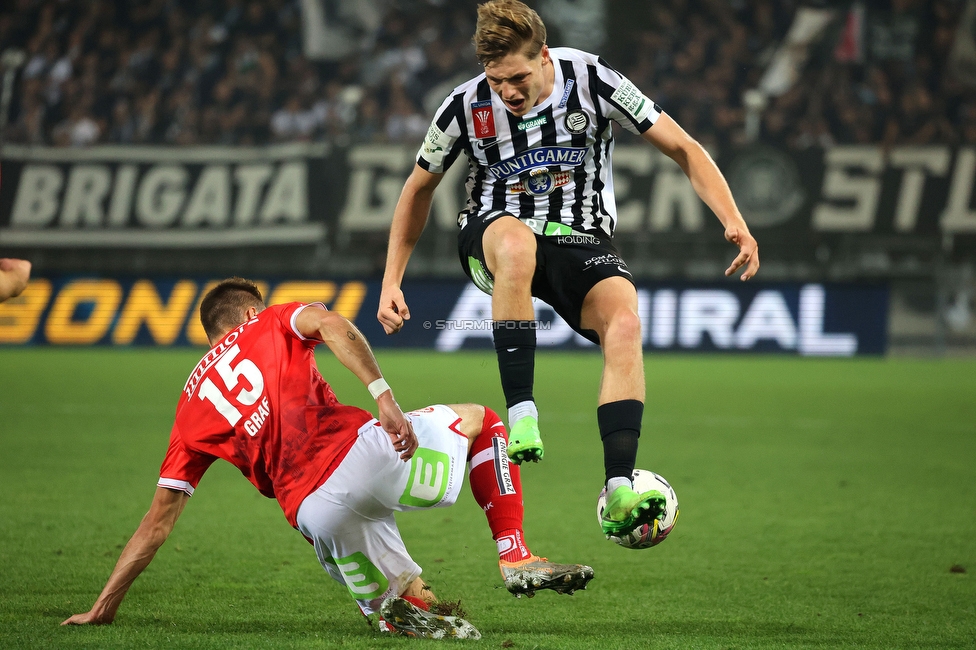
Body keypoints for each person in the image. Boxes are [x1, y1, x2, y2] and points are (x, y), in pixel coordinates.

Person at [377, 0, 759, 539]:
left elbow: (683, 147)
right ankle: (523, 412)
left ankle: (618, 485)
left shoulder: (593, 78)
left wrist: (733, 219)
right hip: (491, 231)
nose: (507, 91)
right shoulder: (462, 106)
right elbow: (418, 188)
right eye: (496, 79)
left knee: (625, 324)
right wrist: (392, 278)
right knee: (514, 243)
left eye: (517, 77)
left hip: (579, 237)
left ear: (544, 57)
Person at [61, 278, 593, 639]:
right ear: (249, 312)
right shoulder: (269, 321)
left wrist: (103, 607)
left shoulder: (188, 407)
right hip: (362, 456)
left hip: (314, 515)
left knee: (410, 612)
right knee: (485, 422)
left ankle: (407, 613)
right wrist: (382, 393)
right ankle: (515, 553)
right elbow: (334, 325)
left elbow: (157, 522)